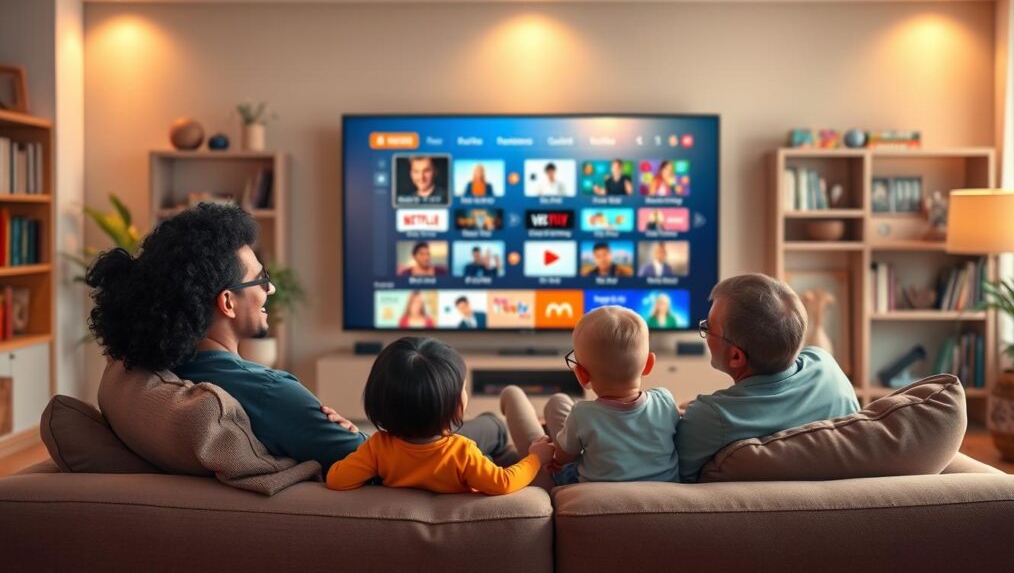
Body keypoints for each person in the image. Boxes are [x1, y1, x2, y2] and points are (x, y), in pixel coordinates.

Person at [85, 204, 510, 477]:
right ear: (228, 302)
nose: (270, 289)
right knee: (495, 426)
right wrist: (362, 439)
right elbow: (388, 465)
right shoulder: (271, 392)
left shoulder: (161, 370)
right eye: (260, 279)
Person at [675, 274, 860, 482]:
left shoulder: (711, 417)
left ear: (736, 356)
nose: (706, 334)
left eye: (707, 328)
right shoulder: (826, 366)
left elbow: (678, 479)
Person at [326, 337, 554, 494]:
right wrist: (537, 457)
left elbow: (336, 479)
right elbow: (504, 482)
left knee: (499, 440)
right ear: (457, 406)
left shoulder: (377, 448)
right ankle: (518, 427)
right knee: (494, 423)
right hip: (493, 455)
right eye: (463, 388)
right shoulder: (463, 452)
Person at [499, 306, 679, 488]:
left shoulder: (583, 414)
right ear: (649, 364)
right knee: (558, 401)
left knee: (513, 395)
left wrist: (545, 453)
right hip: (660, 487)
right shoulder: (665, 400)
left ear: (582, 375)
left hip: (584, 485)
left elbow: (562, 458)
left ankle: (510, 397)